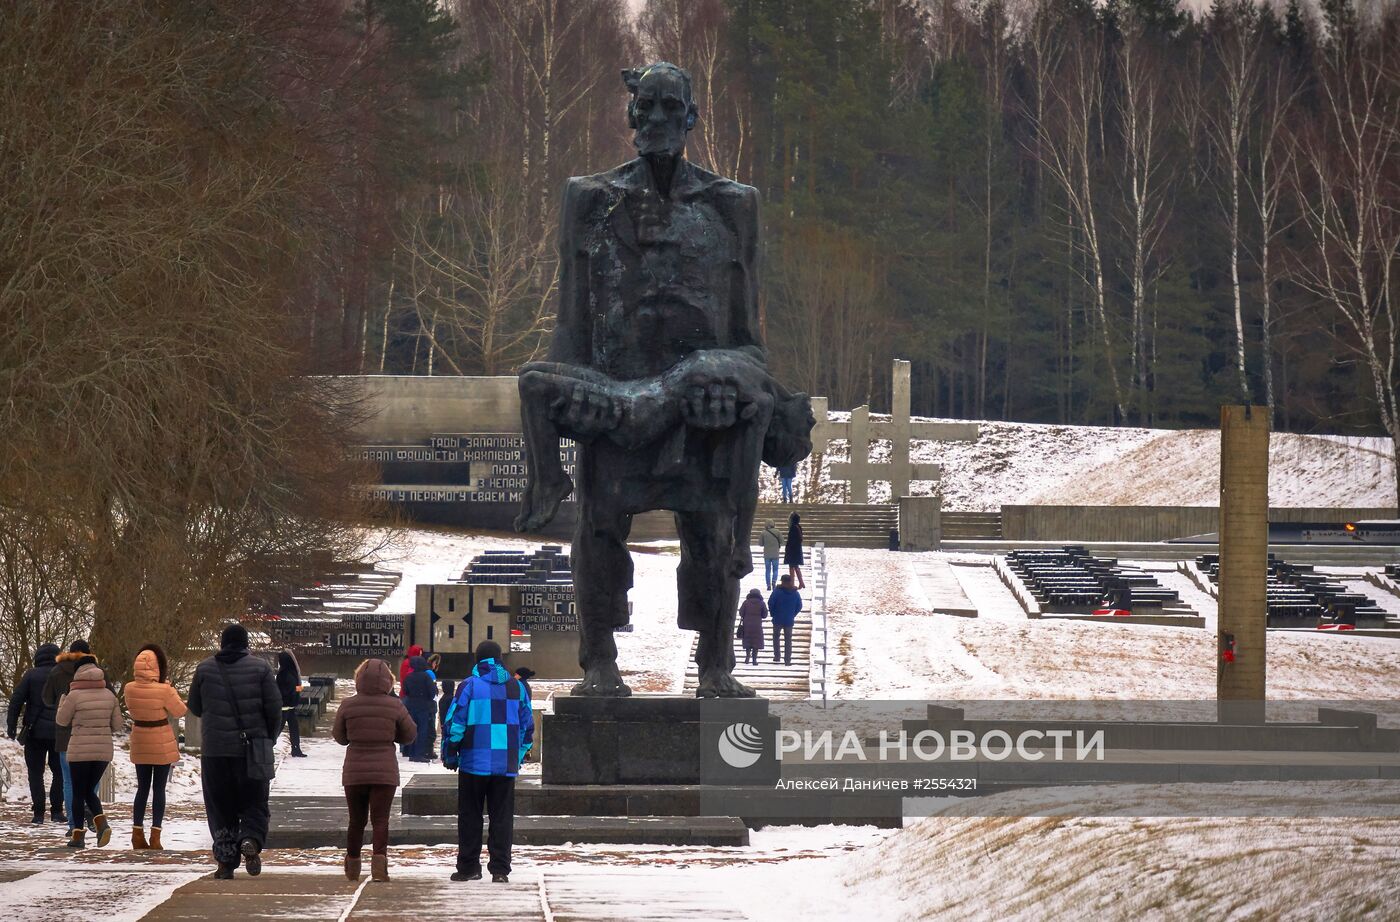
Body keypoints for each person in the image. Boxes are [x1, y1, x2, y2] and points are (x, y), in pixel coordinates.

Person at [187, 623, 281, 879]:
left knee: (220, 806)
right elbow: (275, 710)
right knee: (255, 801)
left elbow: (195, 706)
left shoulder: (204, 668)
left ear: (222, 643)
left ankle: (226, 863)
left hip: (215, 752)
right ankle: (250, 838)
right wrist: (267, 739)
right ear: (246, 643)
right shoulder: (261, 669)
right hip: (252, 750)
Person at [444, 640, 534, 884]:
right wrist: (517, 755)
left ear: (478, 659)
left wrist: (451, 752)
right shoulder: (517, 687)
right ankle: (500, 869)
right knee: (502, 817)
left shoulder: (469, 686)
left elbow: (455, 723)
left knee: (470, 816)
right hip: (505, 765)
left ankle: (468, 867)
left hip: (474, 762)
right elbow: (527, 727)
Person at [332, 658, 417, 883]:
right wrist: (390, 736)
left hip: (354, 771)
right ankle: (379, 866)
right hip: (384, 771)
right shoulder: (394, 705)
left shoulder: (347, 705)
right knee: (380, 820)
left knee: (355, 820)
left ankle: (352, 866)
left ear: (358, 678)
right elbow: (409, 734)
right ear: (388, 681)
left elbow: (340, 737)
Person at [43, 639, 111, 838]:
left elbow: (46, 699)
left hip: (66, 736)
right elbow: (111, 699)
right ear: (89, 654)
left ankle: (74, 825)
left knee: (69, 782)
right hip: (96, 735)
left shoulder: (56, 672)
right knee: (91, 784)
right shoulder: (101, 673)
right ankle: (90, 810)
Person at [123, 644, 187, 850]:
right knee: (159, 789)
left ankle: (136, 833)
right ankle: (156, 836)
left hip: (140, 739)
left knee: (142, 788)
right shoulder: (164, 690)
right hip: (161, 741)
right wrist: (169, 688)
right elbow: (180, 711)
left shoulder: (128, 688)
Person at [55, 661, 123, 848]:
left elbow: (62, 721)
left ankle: (78, 836)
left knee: (79, 792)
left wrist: (62, 702)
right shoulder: (110, 695)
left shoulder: (73, 696)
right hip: (103, 751)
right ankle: (101, 825)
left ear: (78, 674)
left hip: (79, 750)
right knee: (88, 789)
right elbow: (118, 726)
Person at [6, 643, 63, 824]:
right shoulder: (64, 676)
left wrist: (11, 726)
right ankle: (56, 811)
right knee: (59, 772)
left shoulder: (30, 675)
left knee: (35, 773)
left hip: (34, 732)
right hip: (59, 733)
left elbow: (16, 701)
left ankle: (38, 813)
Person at [400, 654, 438, 763]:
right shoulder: (426, 676)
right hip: (423, 707)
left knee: (412, 729)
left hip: (411, 706)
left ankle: (410, 752)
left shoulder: (408, 677)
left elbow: (405, 691)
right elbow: (432, 693)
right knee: (422, 730)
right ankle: (419, 753)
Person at [275, 651, 307, 758]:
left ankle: (296, 749)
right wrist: (296, 693)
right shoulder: (286, 674)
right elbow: (289, 690)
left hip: (288, 706)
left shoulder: (284, 672)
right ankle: (268, 747)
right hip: (285, 706)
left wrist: (298, 690)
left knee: (293, 728)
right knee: (279, 729)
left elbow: (294, 688)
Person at [767, 574, 803, 667]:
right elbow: (799, 605)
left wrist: (773, 613)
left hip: (777, 618)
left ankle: (777, 656)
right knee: (788, 640)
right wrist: (793, 614)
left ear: (782, 581)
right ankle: (787, 660)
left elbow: (770, 603)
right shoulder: (795, 592)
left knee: (776, 637)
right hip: (789, 620)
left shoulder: (777, 591)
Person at [737, 589, 767, 666]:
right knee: (756, 642)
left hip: (747, 625)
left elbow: (741, 613)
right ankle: (754, 659)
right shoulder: (762, 603)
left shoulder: (746, 602)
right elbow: (764, 615)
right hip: (757, 625)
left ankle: (747, 656)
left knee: (748, 640)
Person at [785, 512, 805, 589]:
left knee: (792, 568)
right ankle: (801, 582)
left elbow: (791, 540)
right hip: (796, 550)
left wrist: (788, 549)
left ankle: (792, 583)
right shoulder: (798, 527)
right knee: (796, 567)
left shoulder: (793, 528)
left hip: (793, 550)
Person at [760, 520, 783, 590]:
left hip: (767, 554)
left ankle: (768, 585)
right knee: (775, 569)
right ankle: (774, 581)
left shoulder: (763, 533)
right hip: (775, 554)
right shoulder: (778, 532)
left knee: (767, 570)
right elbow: (782, 541)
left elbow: (760, 544)